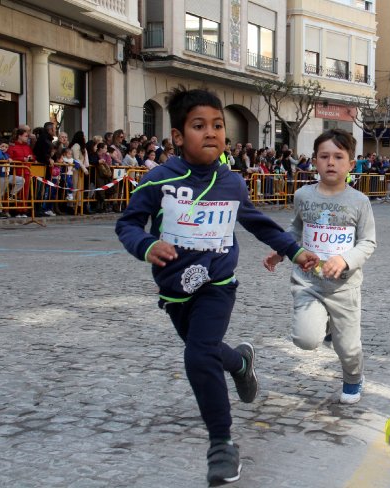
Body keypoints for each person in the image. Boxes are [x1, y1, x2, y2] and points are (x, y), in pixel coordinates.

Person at [115, 87, 319, 487]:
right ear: (177, 136)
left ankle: (222, 444)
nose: (211, 132)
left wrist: (295, 251)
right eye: (199, 125)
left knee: (197, 354)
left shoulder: (232, 184)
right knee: (205, 349)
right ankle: (240, 363)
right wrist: (147, 245)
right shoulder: (159, 180)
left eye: (218, 125)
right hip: (175, 290)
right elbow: (128, 224)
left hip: (217, 284)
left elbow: (259, 224)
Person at [263, 129, 376, 404]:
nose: (331, 162)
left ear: (351, 164)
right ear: (315, 161)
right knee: (305, 339)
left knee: (348, 348)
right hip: (308, 283)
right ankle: (323, 327)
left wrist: (345, 259)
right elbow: (295, 229)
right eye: (324, 156)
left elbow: (368, 242)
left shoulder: (359, 202)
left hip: (344, 288)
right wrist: (281, 251)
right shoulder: (303, 195)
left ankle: (353, 379)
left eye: (338, 157)